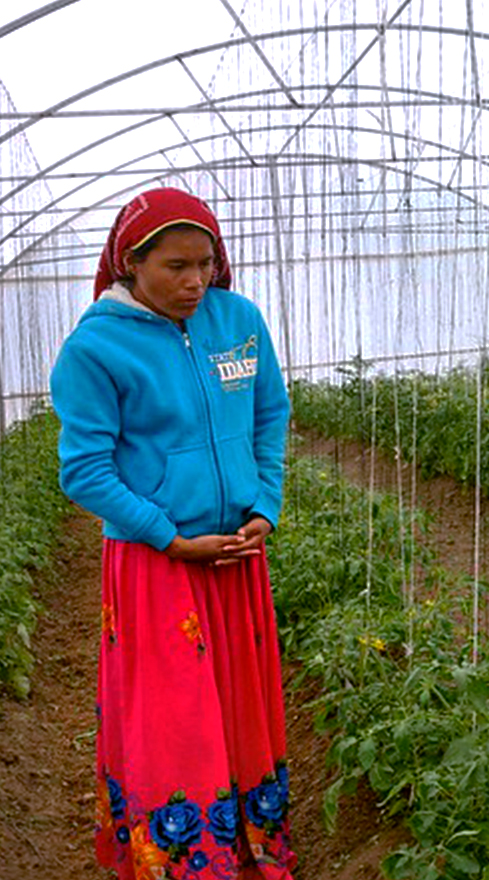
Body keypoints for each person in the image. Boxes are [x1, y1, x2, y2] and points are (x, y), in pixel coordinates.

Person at [50, 188, 294, 880]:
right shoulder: (95, 348)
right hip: (158, 567)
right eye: (176, 267)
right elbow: (85, 472)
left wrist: (263, 508)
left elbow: (269, 416)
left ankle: (249, 848)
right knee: (175, 722)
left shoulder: (239, 321)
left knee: (243, 711)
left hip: (237, 557)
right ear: (131, 263)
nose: (195, 282)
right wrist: (167, 536)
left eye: (206, 264)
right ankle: (185, 862)